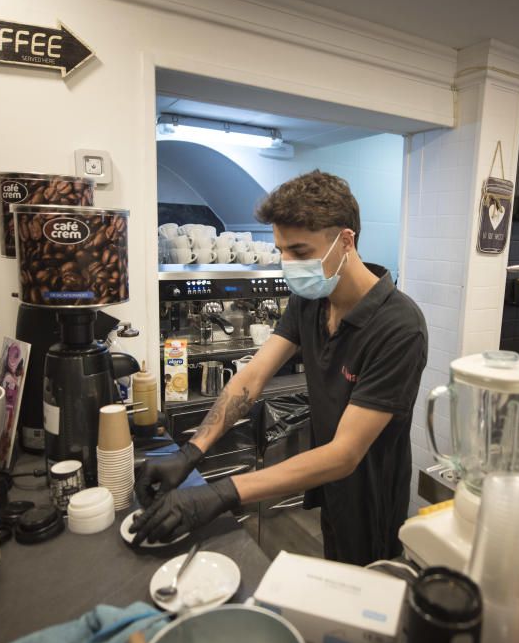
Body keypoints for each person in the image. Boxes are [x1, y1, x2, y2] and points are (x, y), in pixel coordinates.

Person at [130, 170, 428, 565]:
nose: (287, 263)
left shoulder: (399, 327)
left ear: (346, 241)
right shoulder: (312, 299)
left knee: (366, 589)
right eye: (281, 250)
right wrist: (189, 453)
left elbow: (345, 454)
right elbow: (252, 377)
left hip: (371, 495)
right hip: (328, 482)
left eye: (300, 252)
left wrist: (223, 492)